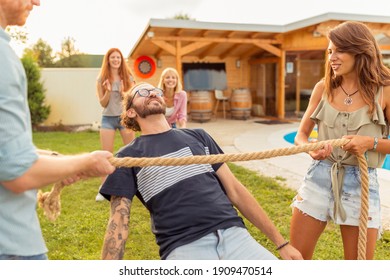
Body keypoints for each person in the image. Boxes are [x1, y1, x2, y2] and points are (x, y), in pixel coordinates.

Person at [99, 82, 303, 260]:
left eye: (155, 90)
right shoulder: (127, 157)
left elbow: (235, 190)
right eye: (142, 93)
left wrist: (281, 244)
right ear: (131, 112)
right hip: (183, 246)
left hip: (235, 235)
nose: (153, 93)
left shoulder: (198, 136)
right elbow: (118, 221)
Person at [0, 0, 116, 260]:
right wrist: (84, 162)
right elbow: (17, 172)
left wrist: (56, 160)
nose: (37, 2)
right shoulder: (3, 61)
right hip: (10, 246)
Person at [290, 21, 390, 260]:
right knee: (296, 260)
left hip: (361, 183)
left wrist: (370, 143)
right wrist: (310, 150)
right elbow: (300, 136)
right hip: (318, 177)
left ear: (360, 51)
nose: (332, 57)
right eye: (329, 51)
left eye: (339, 50)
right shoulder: (322, 88)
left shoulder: (385, 91)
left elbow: (375, 143)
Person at [95, 48, 136, 201]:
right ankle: (103, 189)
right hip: (108, 119)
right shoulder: (101, 79)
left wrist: (124, 92)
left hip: (124, 119)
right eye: (113, 57)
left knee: (133, 153)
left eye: (118, 57)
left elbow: (131, 101)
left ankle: (138, 185)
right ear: (108, 60)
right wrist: (108, 90)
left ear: (121, 59)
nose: (115, 60)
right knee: (106, 155)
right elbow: (103, 103)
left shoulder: (128, 77)